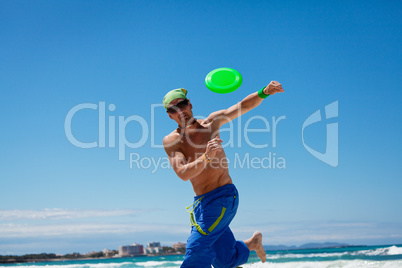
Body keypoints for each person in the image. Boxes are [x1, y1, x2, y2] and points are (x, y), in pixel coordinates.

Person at [162, 81, 284, 268]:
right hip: (201, 204)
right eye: (174, 108)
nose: (180, 111)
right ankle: (251, 244)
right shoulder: (172, 141)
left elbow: (241, 107)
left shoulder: (211, 124)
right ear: (170, 115)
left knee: (196, 250)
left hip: (224, 197)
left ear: (190, 105)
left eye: (182, 104)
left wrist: (265, 92)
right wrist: (206, 156)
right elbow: (182, 173)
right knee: (224, 261)